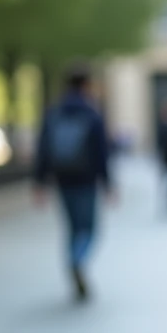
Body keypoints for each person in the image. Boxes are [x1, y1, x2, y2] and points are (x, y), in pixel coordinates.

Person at [34, 65, 113, 302]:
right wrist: (108, 183)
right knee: (88, 229)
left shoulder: (54, 113)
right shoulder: (92, 114)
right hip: (86, 180)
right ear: (86, 85)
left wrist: (39, 182)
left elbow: (43, 149)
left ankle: (72, 262)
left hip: (62, 179)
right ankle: (78, 260)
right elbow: (101, 152)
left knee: (71, 228)